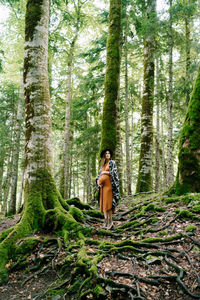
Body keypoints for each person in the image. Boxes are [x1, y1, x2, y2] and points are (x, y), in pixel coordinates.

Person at [96, 149, 119, 229]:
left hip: (109, 186)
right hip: (102, 188)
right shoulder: (102, 165)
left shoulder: (112, 163)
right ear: (104, 155)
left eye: (109, 153)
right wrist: (98, 183)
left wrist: (105, 173)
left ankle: (110, 222)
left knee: (108, 204)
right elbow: (98, 176)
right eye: (106, 153)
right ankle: (105, 222)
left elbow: (114, 173)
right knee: (103, 205)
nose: (108, 154)